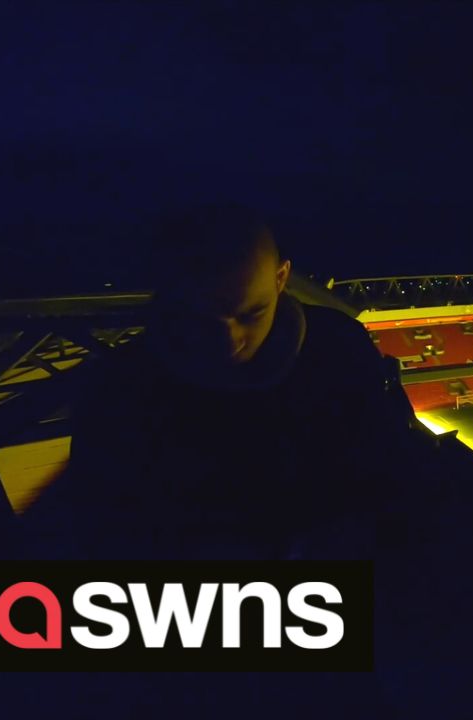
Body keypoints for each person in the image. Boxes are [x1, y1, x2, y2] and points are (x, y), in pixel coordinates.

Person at [21, 205, 430, 560]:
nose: (229, 341)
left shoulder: (341, 349)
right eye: (200, 319)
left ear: (282, 277)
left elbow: (391, 463)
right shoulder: (122, 391)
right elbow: (107, 527)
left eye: (251, 313)